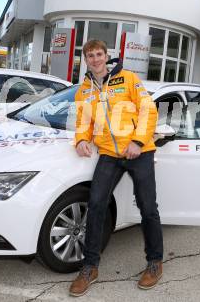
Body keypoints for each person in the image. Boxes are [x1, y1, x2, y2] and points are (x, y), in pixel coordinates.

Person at [69, 40, 163, 297]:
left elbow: (148, 111)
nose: (96, 59)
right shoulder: (85, 89)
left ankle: (154, 262)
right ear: (86, 60)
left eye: (99, 54)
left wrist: (137, 141)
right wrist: (80, 140)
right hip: (109, 153)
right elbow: (83, 120)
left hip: (139, 151)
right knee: (96, 204)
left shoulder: (128, 78)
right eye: (90, 56)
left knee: (147, 207)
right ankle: (90, 267)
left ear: (106, 55)